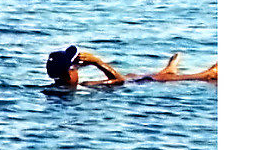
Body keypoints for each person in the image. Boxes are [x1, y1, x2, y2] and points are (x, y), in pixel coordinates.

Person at [45, 44, 218, 88]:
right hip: (137, 84)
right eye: (75, 67)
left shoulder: (59, 88)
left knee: (132, 75)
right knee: (153, 79)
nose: (78, 69)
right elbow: (118, 82)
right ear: (69, 74)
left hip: (132, 80)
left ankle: (168, 70)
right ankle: (208, 74)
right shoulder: (86, 86)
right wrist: (98, 62)